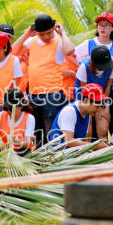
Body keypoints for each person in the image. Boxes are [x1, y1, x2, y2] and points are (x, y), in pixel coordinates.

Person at [12, 14, 75, 143]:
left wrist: (62, 33)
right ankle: (40, 161)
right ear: (36, 32)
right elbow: (13, 52)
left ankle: (55, 159)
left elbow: (69, 51)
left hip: (53, 94)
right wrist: (26, 34)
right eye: (42, 34)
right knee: (38, 131)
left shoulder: (59, 41)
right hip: (34, 94)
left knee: (52, 131)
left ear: (54, 29)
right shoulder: (32, 41)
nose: (46, 37)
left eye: (49, 33)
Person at [74, 12, 113, 131]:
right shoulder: (89, 44)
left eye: (106, 25)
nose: (102, 28)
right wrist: (77, 71)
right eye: (100, 25)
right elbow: (73, 54)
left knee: (111, 121)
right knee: (89, 123)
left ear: (112, 27)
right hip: (90, 89)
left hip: (112, 89)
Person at [74, 45, 113, 139]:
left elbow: (108, 85)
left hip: (102, 94)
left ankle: (104, 149)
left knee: (103, 127)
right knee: (87, 127)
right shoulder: (84, 67)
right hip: (84, 95)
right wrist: (90, 109)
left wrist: (103, 106)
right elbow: (84, 92)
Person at [49, 83, 110, 147]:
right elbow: (68, 141)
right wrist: (95, 146)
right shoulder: (70, 111)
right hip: (59, 154)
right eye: (96, 106)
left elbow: (85, 142)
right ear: (86, 101)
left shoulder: (88, 114)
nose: (98, 110)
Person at [0, 88, 35, 153]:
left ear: (20, 106)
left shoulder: (29, 118)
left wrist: (18, 143)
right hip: (4, 153)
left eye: (11, 108)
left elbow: (27, 143)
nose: (9, 111)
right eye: (7, 108)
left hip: (22, 153)